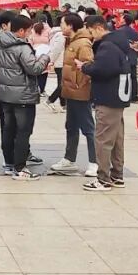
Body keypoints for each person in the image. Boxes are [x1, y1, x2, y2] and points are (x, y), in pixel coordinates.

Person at [0, 14, 50, 180]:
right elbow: (34, 69)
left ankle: (9, 164)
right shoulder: (22, 47)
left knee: (8, 130)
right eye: (29, 30)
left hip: (4, 95)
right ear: (22, 30)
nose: (30, 34)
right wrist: (45, 57)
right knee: (23, 132)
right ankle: (20, 168)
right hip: (23, 96)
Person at [79, 15, 132, 191]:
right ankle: (117, 175)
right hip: (118, 96)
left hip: (108, 96)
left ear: (99, 28)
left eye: (91, 31)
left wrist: (84, 67)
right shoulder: (118, 43)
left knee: (103, 139)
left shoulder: (107, 46)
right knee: (116, 139)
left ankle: (103, 179)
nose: (91, 35)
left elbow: (102, 69)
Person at [50, 13, 98, 177]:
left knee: (88, 128)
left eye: (63, 24)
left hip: (79, 92)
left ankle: (94, 162)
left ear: (70, 25)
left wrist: (80, 85)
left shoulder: (83, 43)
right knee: (71, 126)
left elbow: (88, 67)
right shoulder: (71, 41)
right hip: (70, 90)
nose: (61, 27)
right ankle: (69, 159)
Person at [117, 12, 138, 104]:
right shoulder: (135, 32)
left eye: (121, 18)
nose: (120, 19)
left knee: (124, 78)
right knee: (133, 77)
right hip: (133, 57)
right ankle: (135, 97)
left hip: (123, 58)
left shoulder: (119, 31)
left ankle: (125, 97)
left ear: (124, 20)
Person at [45, 16, 67, 111]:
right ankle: (50, 100)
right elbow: (56, 49)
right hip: (61, 62)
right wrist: (52, 60)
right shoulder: (61, 35)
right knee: (63, 85)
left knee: (61, 84)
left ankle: (63, 104)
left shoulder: (54, 33)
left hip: (60, 62)